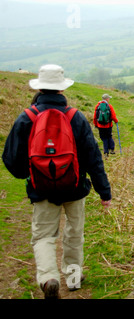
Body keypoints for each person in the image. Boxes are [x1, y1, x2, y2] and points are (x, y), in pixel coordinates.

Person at [2, 64, 112, 299]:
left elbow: (10, 158)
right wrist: (104, 192)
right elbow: (94, 158)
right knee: (74, 233)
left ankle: (49, 278)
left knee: (43, 235)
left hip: (41, 189)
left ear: (40, 88)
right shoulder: (75, 117)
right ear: (62, 89)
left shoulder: (27, 117)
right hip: (74, 187)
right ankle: (73, 279)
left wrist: (30, 174)